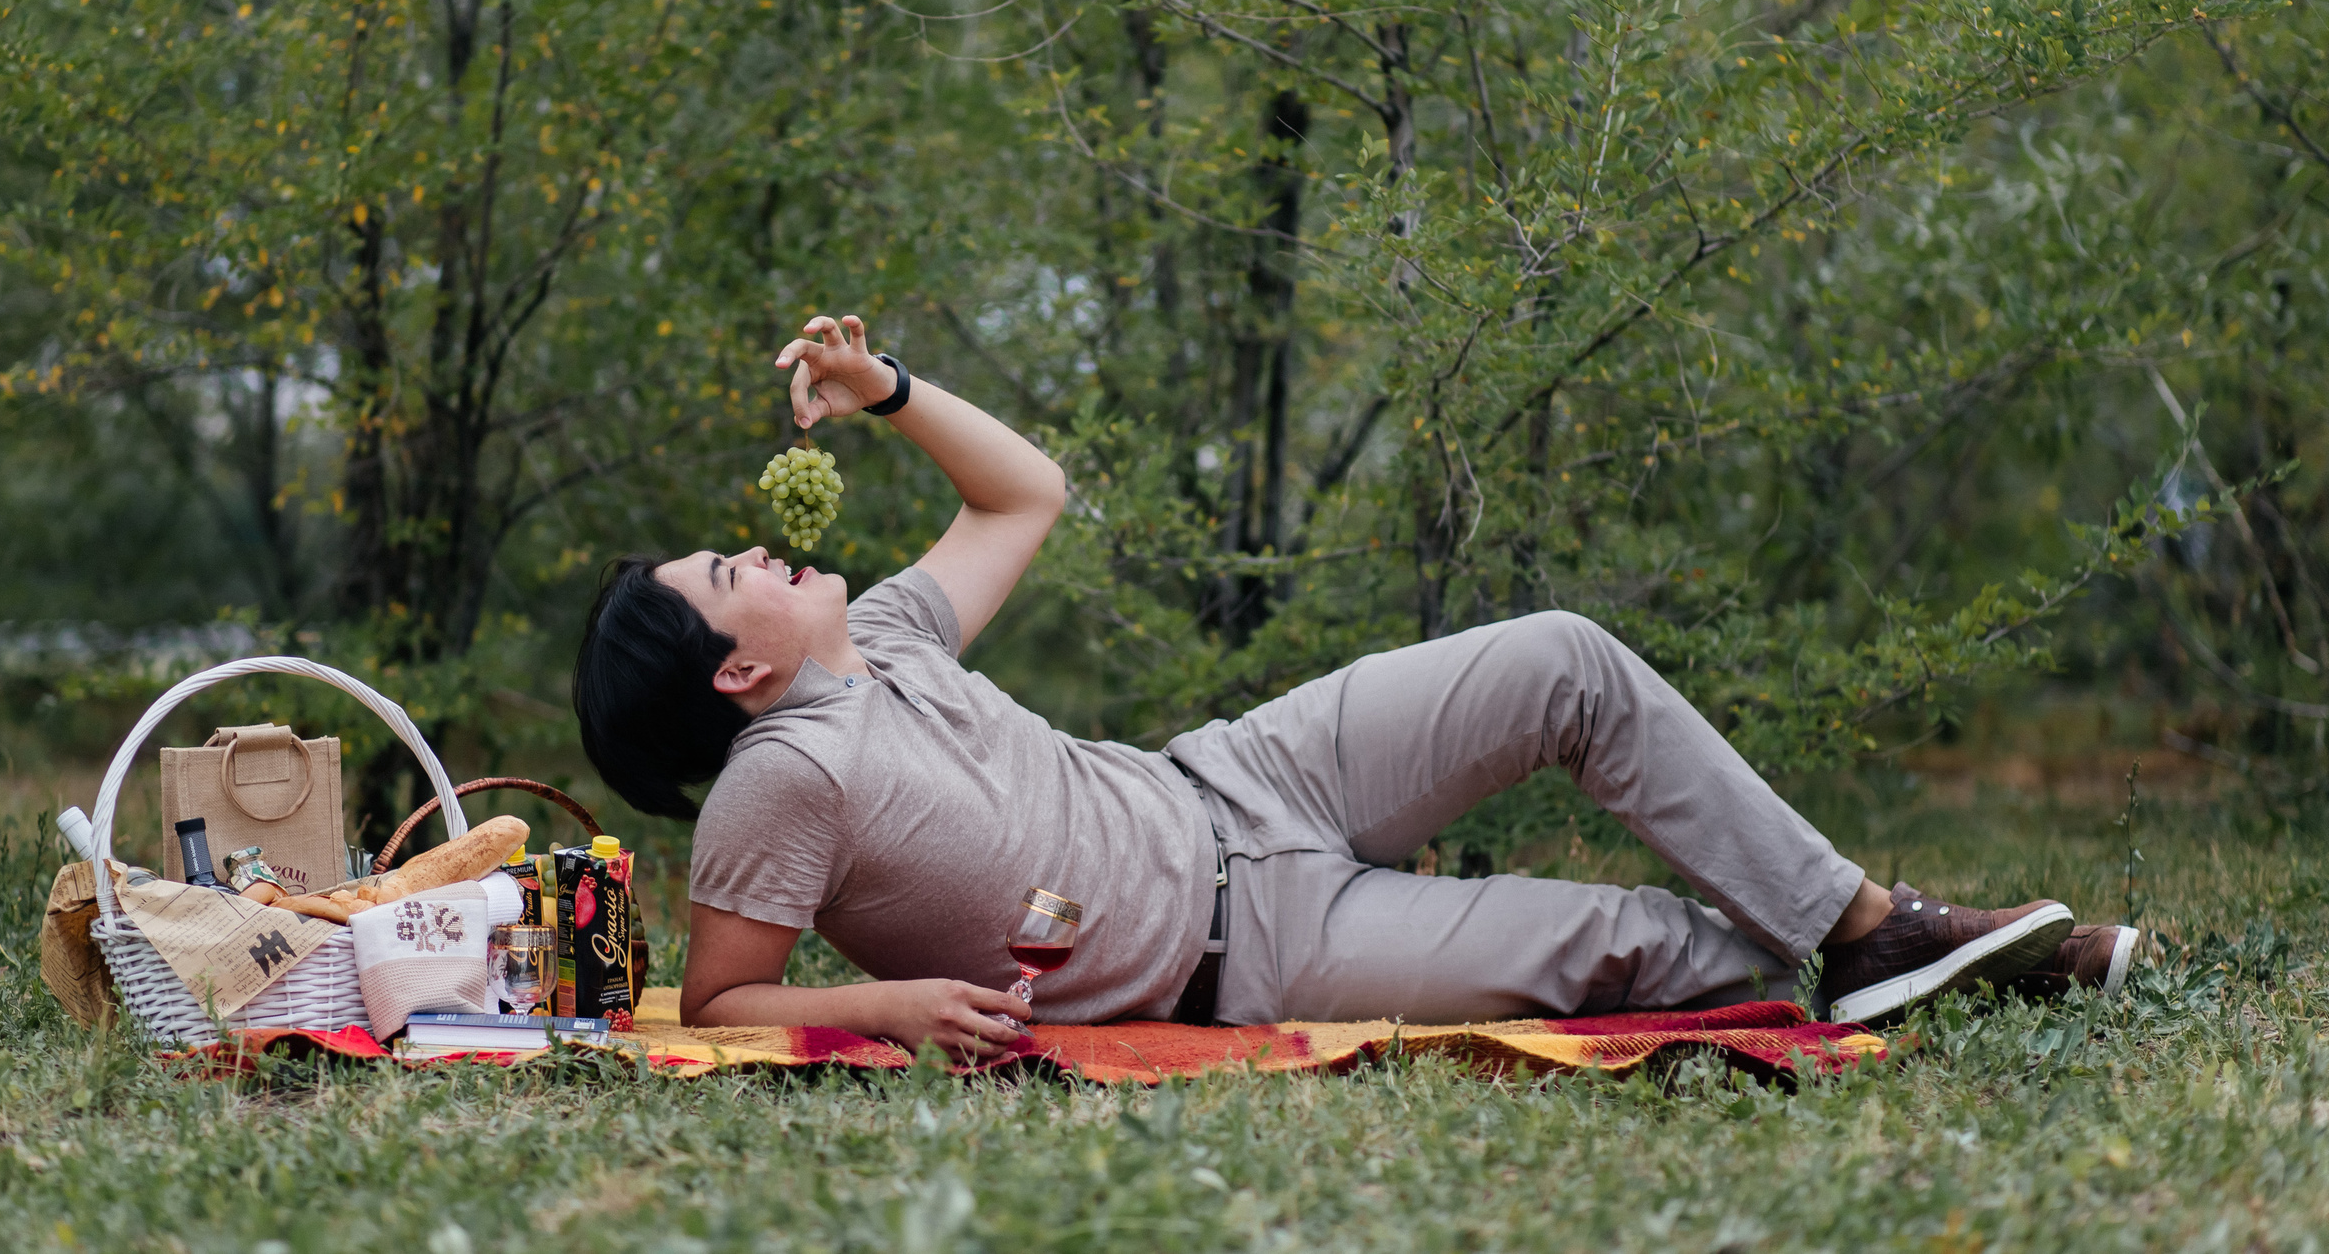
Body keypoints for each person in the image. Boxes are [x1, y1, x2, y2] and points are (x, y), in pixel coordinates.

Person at [571, 315, 2136, 1059]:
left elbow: (1025, 495)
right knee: (1647, 947)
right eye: (727, 572)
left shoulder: (889, 640)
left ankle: (1870, 929)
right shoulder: (783, 778)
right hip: (1256, 954)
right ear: (734, 668)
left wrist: (889, 391)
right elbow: (720, 1004)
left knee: (1561, 657)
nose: (756, 548)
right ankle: (1919, 954)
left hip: (1244, 777)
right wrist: (895, 1006)